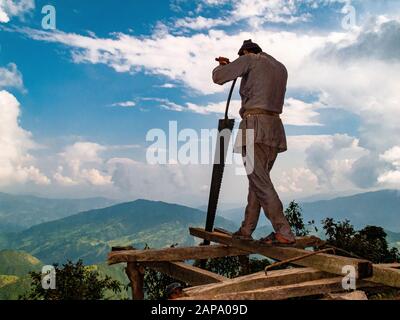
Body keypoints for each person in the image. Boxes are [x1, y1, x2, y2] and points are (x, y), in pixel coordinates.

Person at [212, 39, 296, 245]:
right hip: (274, 128)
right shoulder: (280, 67)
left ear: (245, 51)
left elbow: (218, 77)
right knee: (257, 181)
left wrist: (223, 66)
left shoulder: (249, 59)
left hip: (253, 127)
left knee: (259, 181)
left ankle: (283, 231)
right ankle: (246, 229)